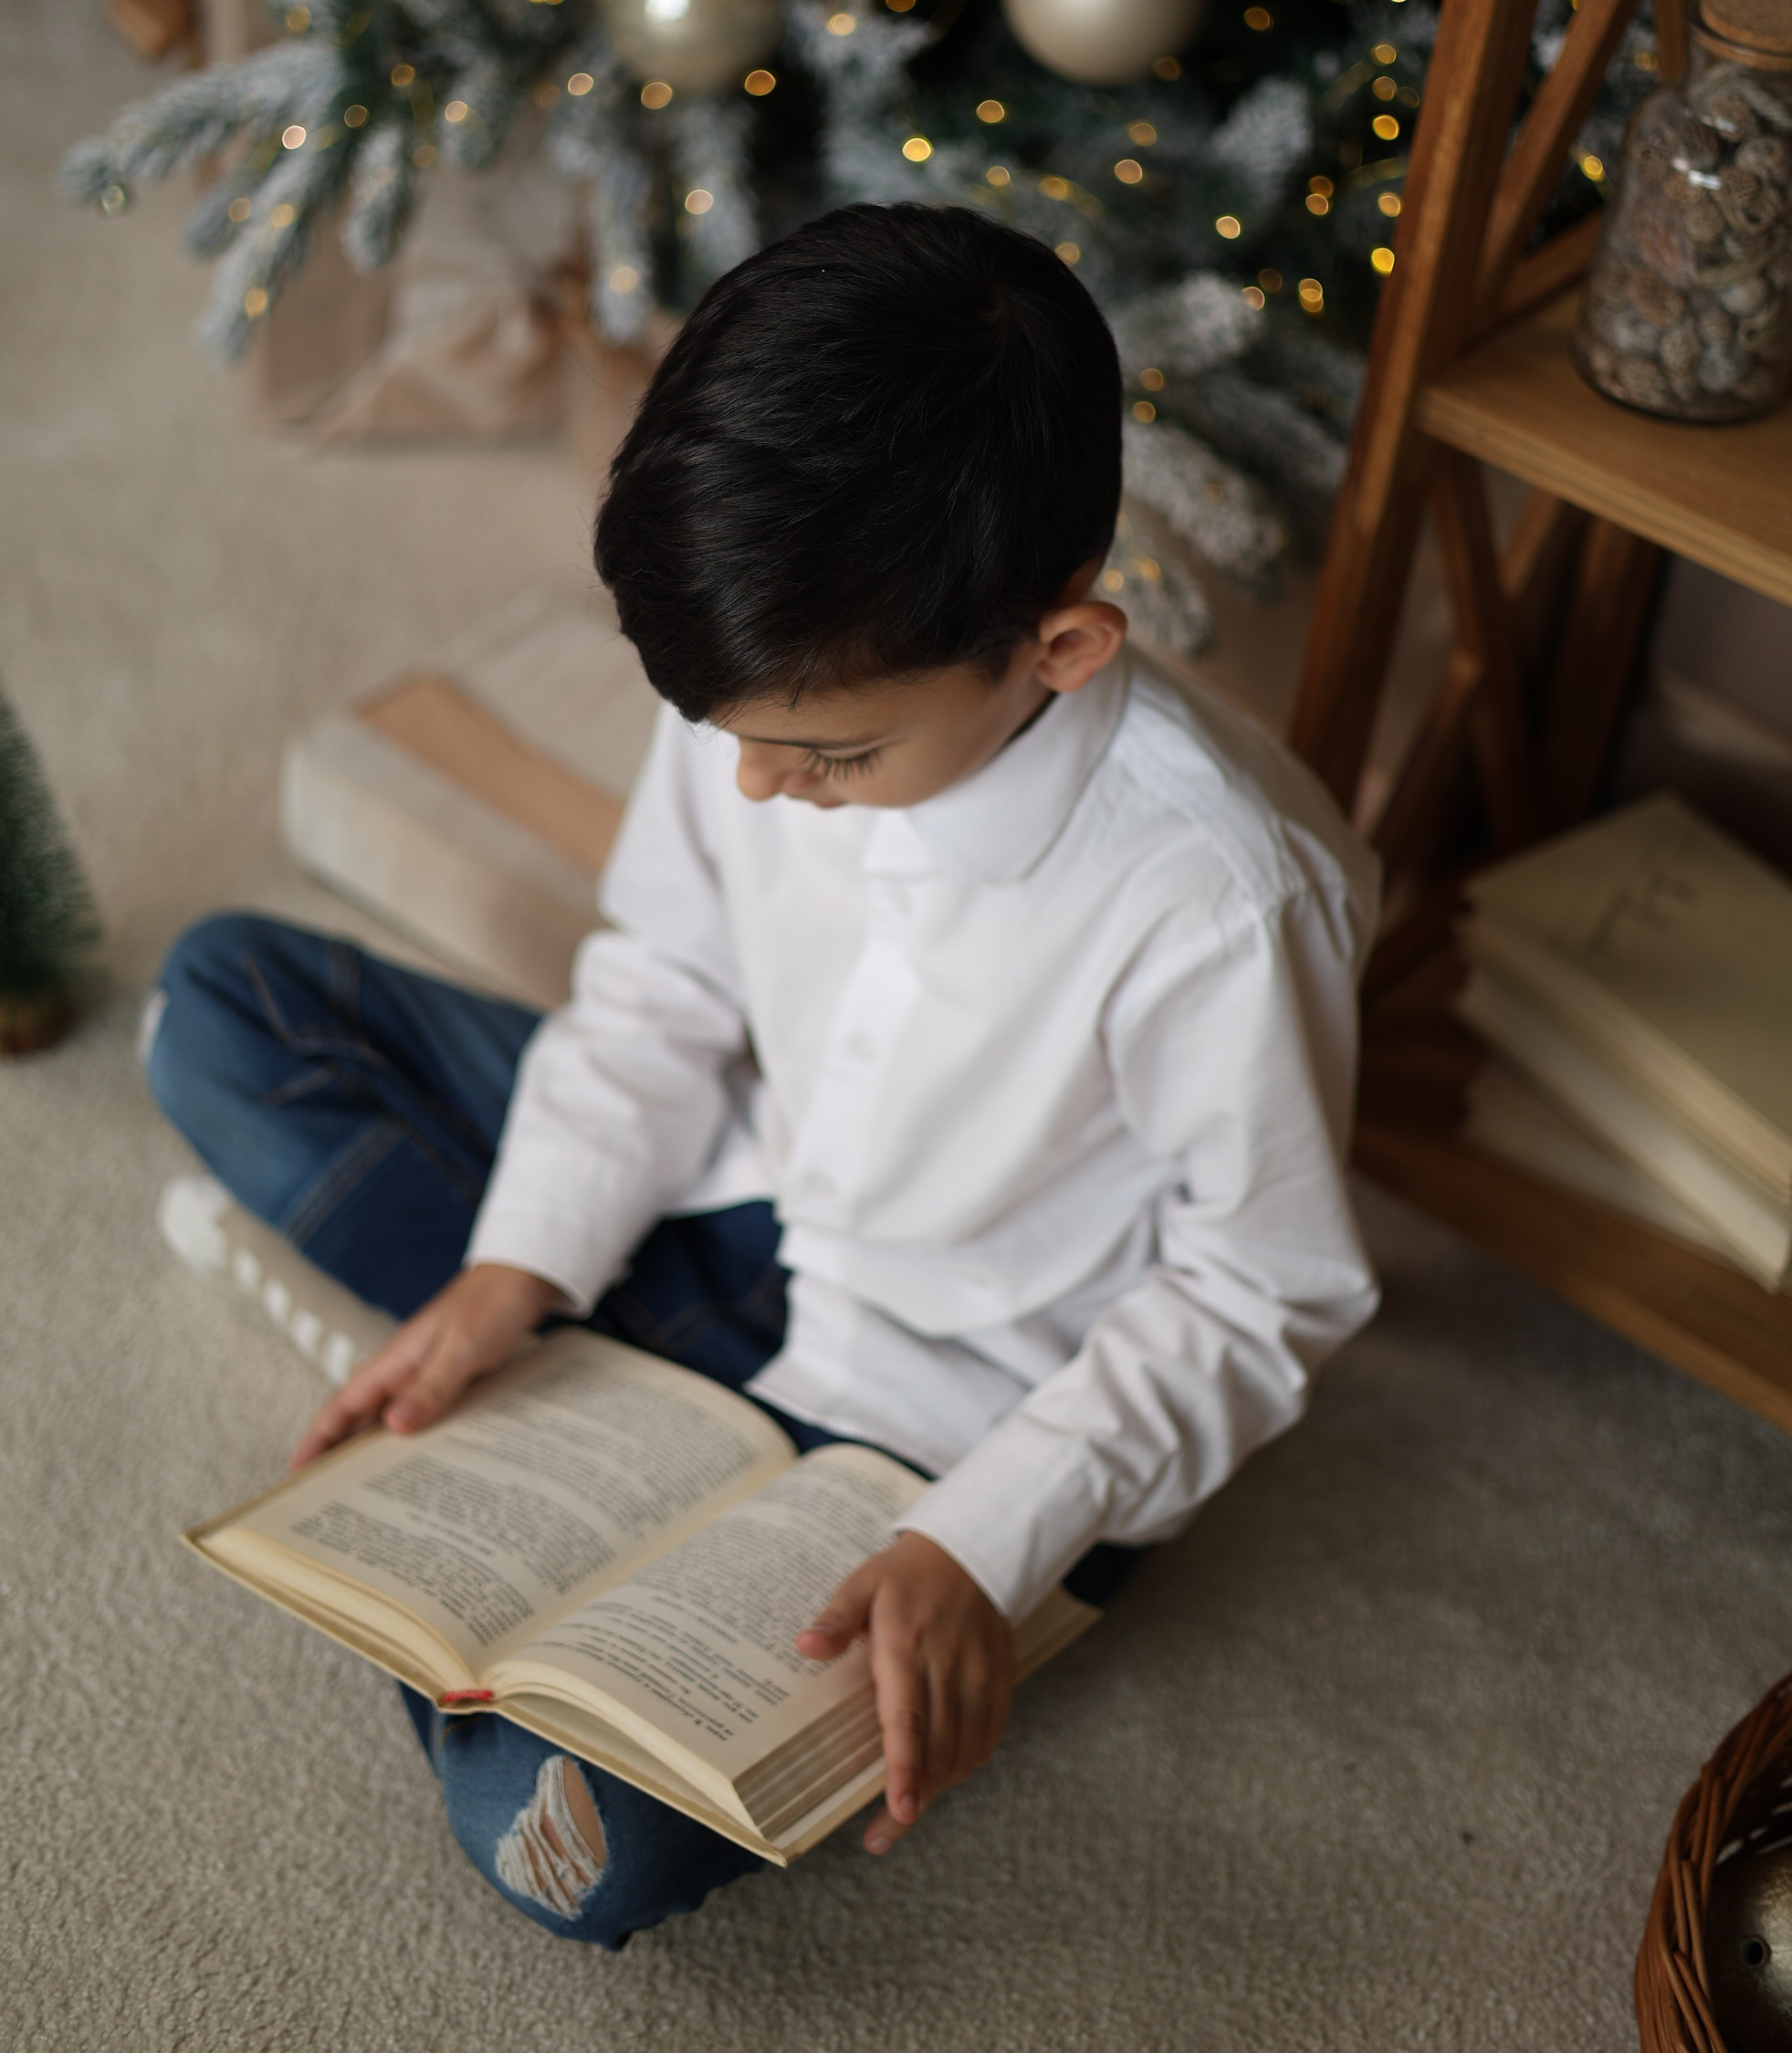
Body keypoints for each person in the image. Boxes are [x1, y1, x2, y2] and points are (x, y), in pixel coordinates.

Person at [145, 202, 1381, 1947]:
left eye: (823, 759)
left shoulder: (1221, 894)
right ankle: (570, 1350)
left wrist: (984, 1546)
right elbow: (656, 984)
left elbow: (1260, 1291)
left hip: (960, 1411)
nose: (748, 796)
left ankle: (617, 1426)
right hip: (736, 1190)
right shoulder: (764, 682)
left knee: (556, 1839)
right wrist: (518, 1267)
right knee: (217, 1002)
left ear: (1060, 647)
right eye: (730, 739)